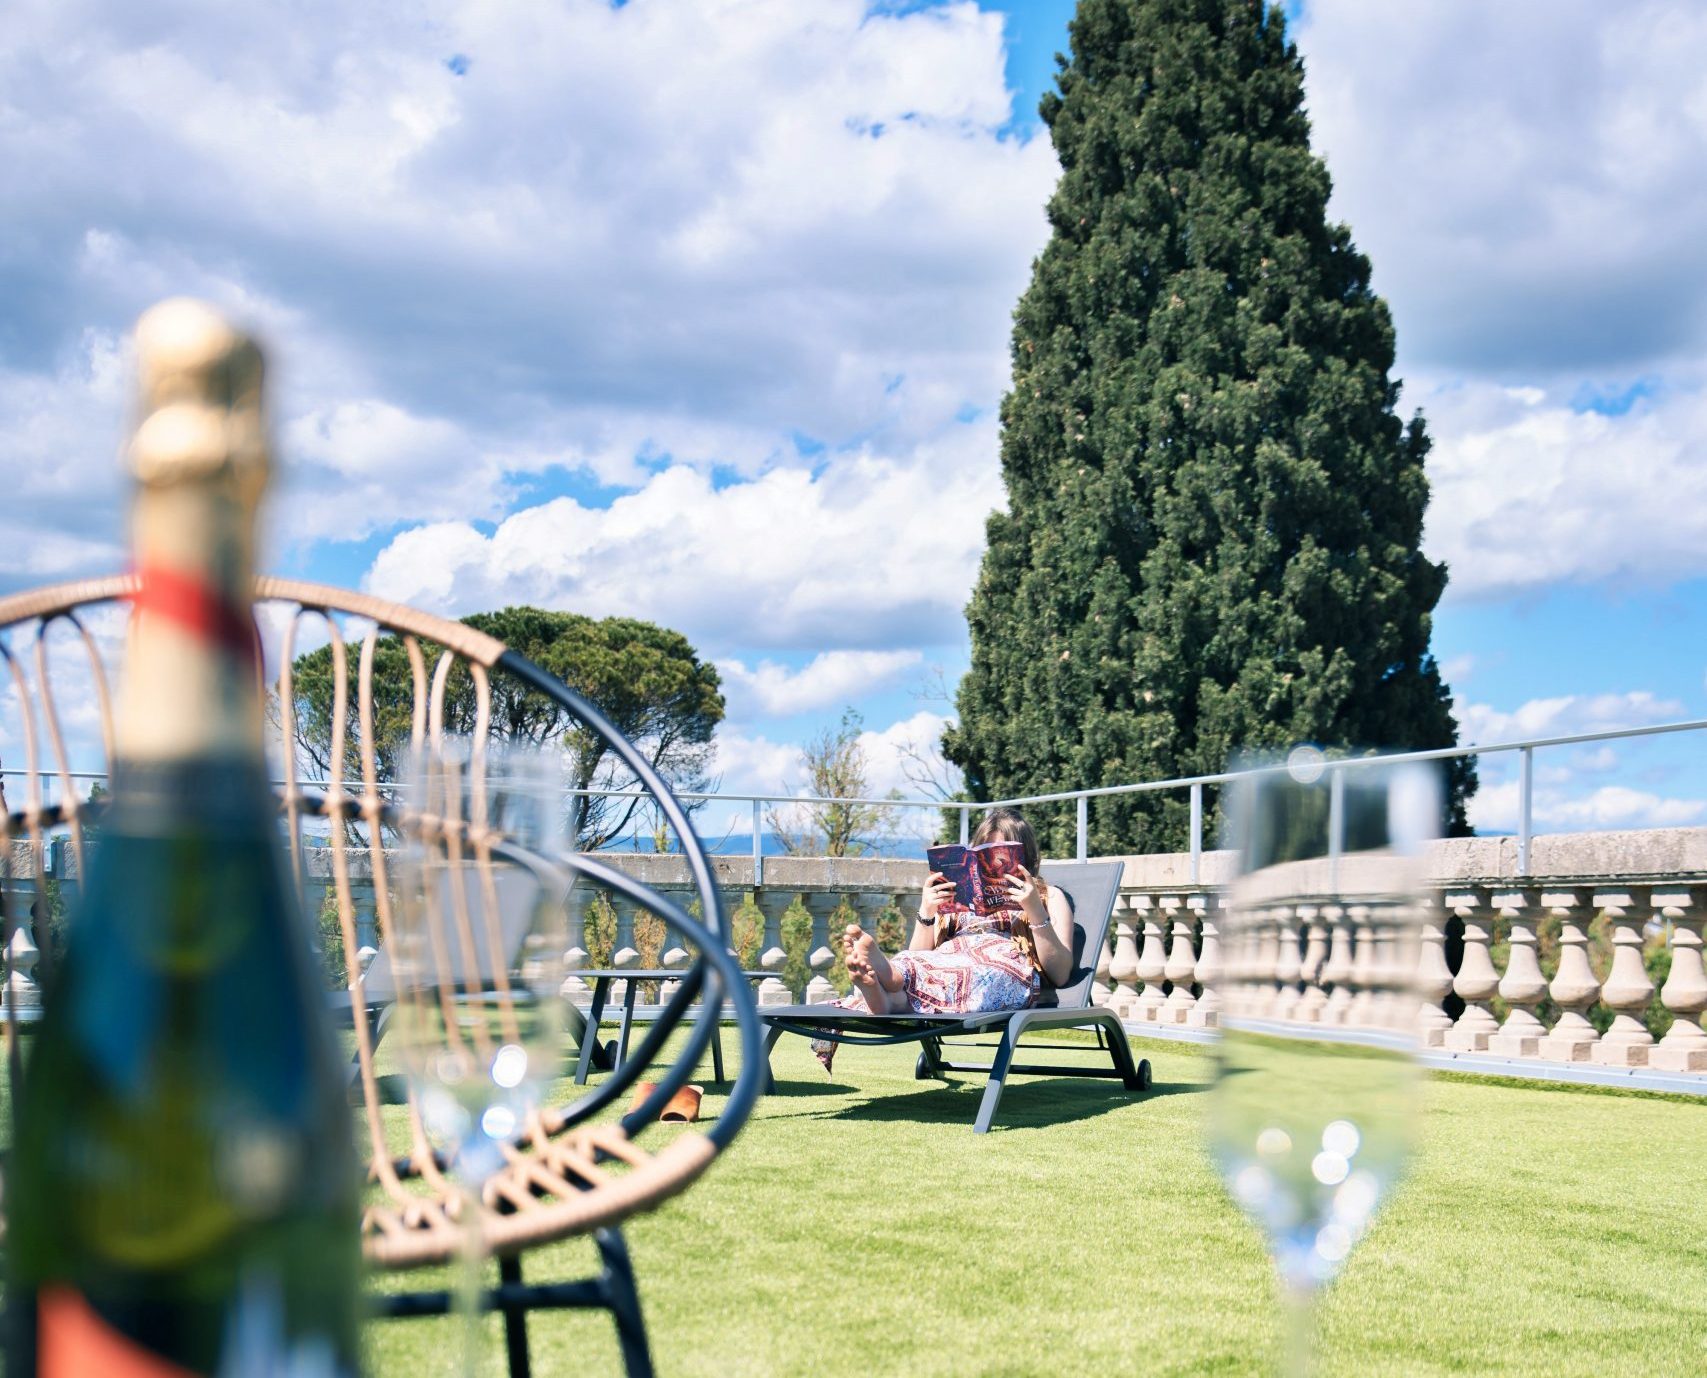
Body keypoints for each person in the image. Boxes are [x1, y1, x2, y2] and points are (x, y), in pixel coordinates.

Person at [813, 807, 1075, 1072]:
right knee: (921, 964)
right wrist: (927, 910)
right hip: (951, 955)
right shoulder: (957, 896)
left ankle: (883, 993)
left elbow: (1061, 972)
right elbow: (920, 953)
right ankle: (885, 993)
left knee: (973, 972)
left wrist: (1034, 909)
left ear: (1024, 856)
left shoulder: (1049, 896)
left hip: (1003, 964)